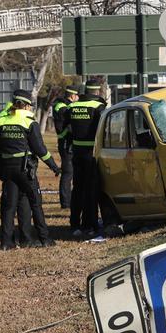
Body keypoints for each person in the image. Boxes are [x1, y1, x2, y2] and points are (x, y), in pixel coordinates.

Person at [0, 89, 61, 250]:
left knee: (10, 205)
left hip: (7, 168)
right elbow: (40, 149)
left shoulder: (1, 120)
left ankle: (8, 242)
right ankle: (45, 239)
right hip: (25, 169)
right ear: (27, 106)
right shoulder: (29, 121)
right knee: (35, 203)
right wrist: (53, 166)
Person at [67, 80, 107, 236]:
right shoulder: (98, 107)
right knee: (91, 190)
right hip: (92, 154)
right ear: (97, 92)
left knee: (77, 189)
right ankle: (90, 225)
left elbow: (65, 130)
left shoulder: (72, 107)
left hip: (77, 152)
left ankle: (75, 224)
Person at [52, 85, 79, 209]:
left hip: (68, 143)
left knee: (71, 172)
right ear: (73, 96)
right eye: (77, 95)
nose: (78, 98)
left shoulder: (65, 105)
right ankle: (66, 203)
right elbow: (67, 122)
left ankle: (71, 199)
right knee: (68, 173)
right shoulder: (62, 106)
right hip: (65, 143)